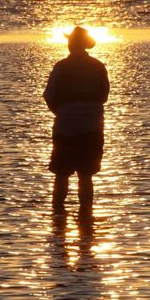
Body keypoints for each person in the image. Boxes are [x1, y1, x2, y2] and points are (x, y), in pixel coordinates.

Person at [43, 26, 109, 214]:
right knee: (86, 176)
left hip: (66, 127)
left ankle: (57, 217)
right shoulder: (98, 66)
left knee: (61, 174)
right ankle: (86, 217)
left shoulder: (61, 66)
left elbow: (49, 96)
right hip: (92, 127)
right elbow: (104, 96)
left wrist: (61, 112)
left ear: (71, 44)